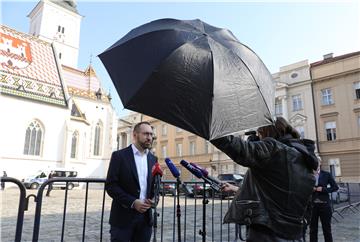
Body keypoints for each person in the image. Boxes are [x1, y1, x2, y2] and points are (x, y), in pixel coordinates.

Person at [211, 117, 318, 241]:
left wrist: (212, 127)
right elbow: (275, 191)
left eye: (260, 134)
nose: (259, 138)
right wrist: (236, 188)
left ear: (267, 132)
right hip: (291, 233)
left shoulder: (274, 149)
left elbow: (238, 149)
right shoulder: (304, 160)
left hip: (267, 231)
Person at [106, 121, 157, 242]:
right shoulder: (119, 156)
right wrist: (133, 202)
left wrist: (155, 199)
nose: (149, 137)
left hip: (145, 219)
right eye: (145, 134)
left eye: (151, 134)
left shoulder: (153, 159)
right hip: (123, 218)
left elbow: (155, 186)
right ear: (135, 135)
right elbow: (111, 185)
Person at [309, 160, 338, 242]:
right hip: (312, 205)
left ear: (320, 163)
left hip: (324, 205)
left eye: (317, 162)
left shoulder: (326, 174)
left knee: (327, 229)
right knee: (312, 229)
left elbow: (335, 187)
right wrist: (310, 189)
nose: (315, 164)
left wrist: (323, 189)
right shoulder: (308, 174)